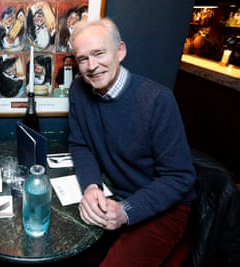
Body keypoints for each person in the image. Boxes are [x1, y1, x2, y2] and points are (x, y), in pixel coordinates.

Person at [68, 18, 196, 266]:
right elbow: (80, 144)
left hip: (165, 205)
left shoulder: (157, 100)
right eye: (83, 59)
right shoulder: (78, 91)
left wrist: (127, 211)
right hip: (115, 192)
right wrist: (92, 186)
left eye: (99, 53)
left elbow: (180, 177)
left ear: (121, 51)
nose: (91, 66)